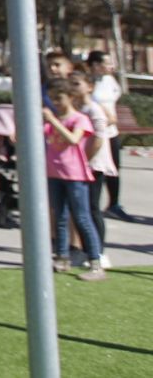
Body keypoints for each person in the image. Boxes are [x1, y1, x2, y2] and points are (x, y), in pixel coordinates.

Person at [44, 78, 106, 281]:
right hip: (54, 173)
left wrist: (53, 121)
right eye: (52, 98)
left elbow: (73, 139)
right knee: (59, 216)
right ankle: (62, 257)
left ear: (70, 97)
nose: (56, 103)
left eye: (59, 98)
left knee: (82, 218)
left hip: (75, 175)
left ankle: (95, 263)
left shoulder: (80, 119)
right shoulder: (53, 119)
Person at [69, 72, 116, 268]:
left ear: (89, 86)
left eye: (76, 84)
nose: (73, 88)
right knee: (81, 210)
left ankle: (100, 253)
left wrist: (84, 160)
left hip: (94, 165)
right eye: (70, 84)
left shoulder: (94, 109)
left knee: (92, 208)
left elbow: (98, 138)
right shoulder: (76, 109)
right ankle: (86, 251)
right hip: (79, 165)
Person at [87, 51, 127, 218]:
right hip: (96, 132)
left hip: (111, 132)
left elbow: (115, 96)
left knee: (114, 168)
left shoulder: (110, 80)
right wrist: (105, 114)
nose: (111, 66)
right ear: (96, 65)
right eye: (107, 62)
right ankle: (91, 206)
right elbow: (89, 100)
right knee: (96, 169)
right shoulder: (88, 82)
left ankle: (114, 204)